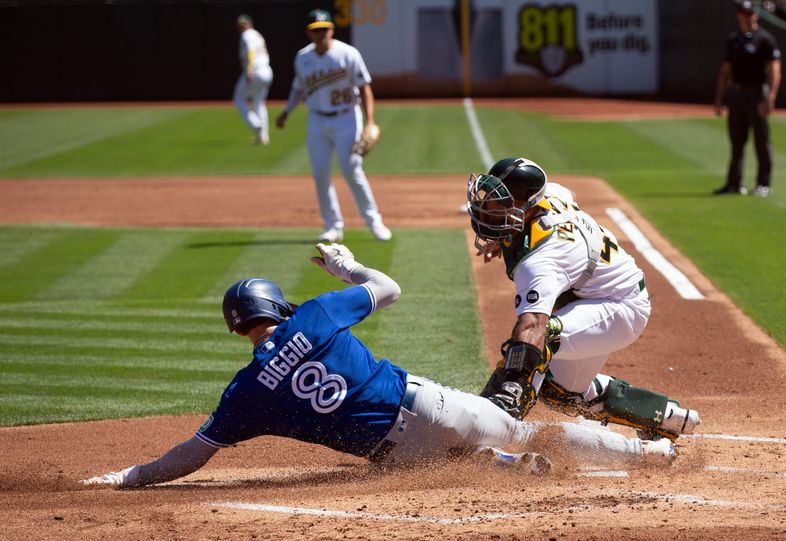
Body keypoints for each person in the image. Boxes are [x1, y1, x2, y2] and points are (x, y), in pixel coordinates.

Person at [81, 243, 677, 489]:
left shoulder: (244, 394)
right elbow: (387, 287)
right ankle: (652, 454)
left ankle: (507, 467)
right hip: (425, 403)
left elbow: (193, 454)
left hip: (397, 455)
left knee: (447, 463)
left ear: (239, 327)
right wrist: (347, 267)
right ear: (274, 306)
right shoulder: (311, 317)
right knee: (522, 422)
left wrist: (130, 476)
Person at [465, 157, 701, 442]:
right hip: (594, 296)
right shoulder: (548, 195)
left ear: (526, 208)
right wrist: (505, 233)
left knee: (536, 345)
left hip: (620, 307)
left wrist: (509, 382)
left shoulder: (542, 262)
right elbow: (565, 193)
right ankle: (665, 416)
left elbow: (531, 328)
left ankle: (494, 419)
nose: (488, 209)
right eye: (490, 200)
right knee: (561, 392)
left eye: (499, 205)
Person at [275, 9, 391, 243]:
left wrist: (370, 122)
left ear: (332, 29)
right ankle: (333, 226)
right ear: (309, 33)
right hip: (317, 119)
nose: (321, 34)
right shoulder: (303, 57)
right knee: (320, 174)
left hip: (346, 117)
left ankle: (373, 220)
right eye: (316, 30)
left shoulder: (347, 54)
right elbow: (298, 88)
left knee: (351, 169)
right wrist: (287, 111)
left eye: (324, 29)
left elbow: (364, 87)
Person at [713, 0, 782, 197]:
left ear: (756, 15)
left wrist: (770, 96)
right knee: (736, 141)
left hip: (756, 93)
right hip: (736, 94)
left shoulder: (765, 39)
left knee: (761, 140)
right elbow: (725, 71)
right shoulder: (733, 39)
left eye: (750, 13)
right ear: (738, 15)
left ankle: (763, 184)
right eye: (744, 13)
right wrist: (720, 97)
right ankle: (734, 184)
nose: (747, 16)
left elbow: (775, 70)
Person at [233, 14, 273, 145]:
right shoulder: (256, 34)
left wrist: (249, 68)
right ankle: (263, 136)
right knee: (259, 102)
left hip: (255, 70)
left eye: (243, 24)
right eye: (240, 25)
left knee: (238, 99)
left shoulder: (248, 34)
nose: (241, 27)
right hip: (266, 70)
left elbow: (250, 51)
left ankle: (256, 124)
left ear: (248, 24)